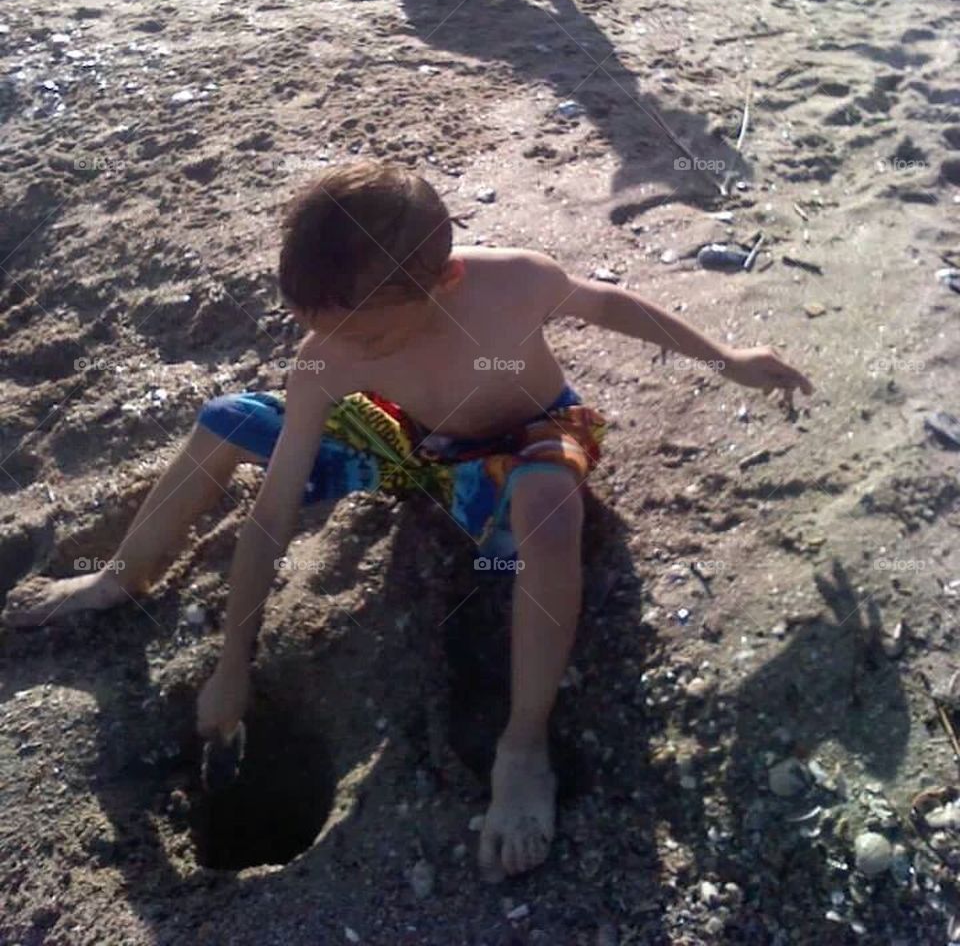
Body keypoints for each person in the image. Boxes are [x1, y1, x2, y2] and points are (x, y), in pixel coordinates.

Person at [3, 161, 813, 881]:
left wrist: (729, 360)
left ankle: (523, 742)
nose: (334, 346)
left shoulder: (515, 283)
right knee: (223, 418)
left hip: (525, 441)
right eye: (317, 325)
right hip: (411, 440)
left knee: (546, 507)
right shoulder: (329, 354)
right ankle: (122, 575)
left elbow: (610, 306)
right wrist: (232, 667)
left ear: (445, 280)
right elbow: (271, 517)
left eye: (366, 332)